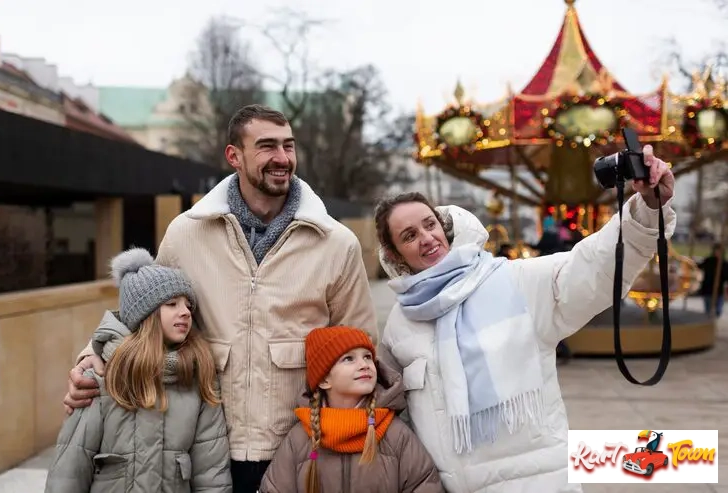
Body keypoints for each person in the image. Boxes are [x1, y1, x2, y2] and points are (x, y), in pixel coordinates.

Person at [63, 104, 378, 492]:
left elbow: (362, 343)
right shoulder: (187, 232)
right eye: (267, 147)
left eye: (288, 146)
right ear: (234, 156)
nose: (282, 159)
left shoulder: (336, 242)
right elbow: (143, 314)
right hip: (203, 447)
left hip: (299, 446)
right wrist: (91, 355)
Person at [373, 146, 676, 493]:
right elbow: (396, 416)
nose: (427, 238)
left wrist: (647, 210)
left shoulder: (515, 281)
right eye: (409, 235)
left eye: (430, 225)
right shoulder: (401, 322)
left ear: (444, 226)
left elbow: (592, 265)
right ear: (395, 254)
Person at [45, 248, 232, 493]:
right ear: (147, 314)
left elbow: (211, 471)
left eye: (188, 305)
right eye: (172, 304)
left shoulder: (198, 376)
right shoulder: (102, 378)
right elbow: (69, 470)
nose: (186, 312)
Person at [259, 326, 444, 493]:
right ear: (324, 380)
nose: (364, 364)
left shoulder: (395, 434)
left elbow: (424, 484)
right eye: (349, 358)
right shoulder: (299, 439)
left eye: (367, 356)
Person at [697, 243, 728, 317]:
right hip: (708, 289)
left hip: (718, 290)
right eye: (716, 251)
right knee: (708, 311)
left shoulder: (724, 263)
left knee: (718, 311)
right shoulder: (709, 261)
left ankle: (714, 322)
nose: (718, 252)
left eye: (720, 251)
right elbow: (699, 266)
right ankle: (709, 324)